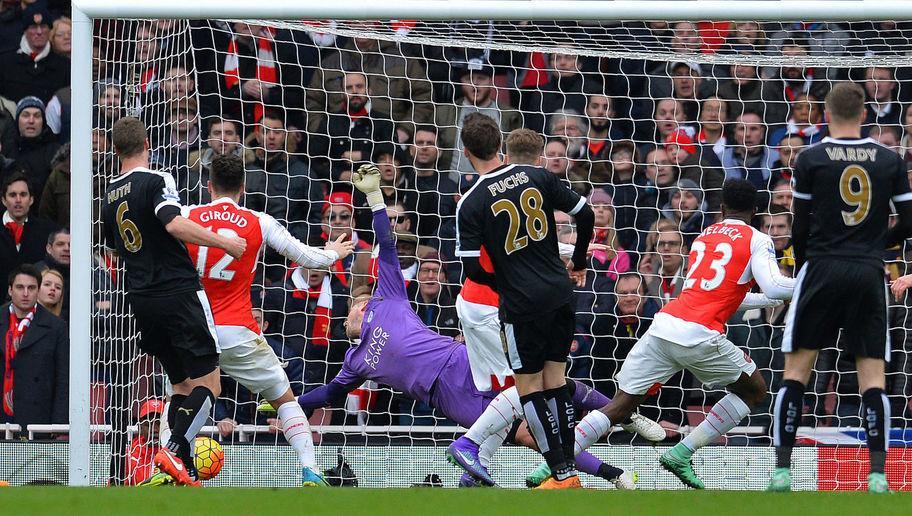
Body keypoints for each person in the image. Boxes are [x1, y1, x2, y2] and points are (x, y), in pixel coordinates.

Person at [296, 164, 647, 488]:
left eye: (350, 312)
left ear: (361, 303)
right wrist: (289, 402)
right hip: (446, 395)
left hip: (463, 359)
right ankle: (613, 474)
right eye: (346, 321)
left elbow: (386, 244)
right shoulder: (355, 362)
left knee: (542, 386)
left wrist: (374, 197)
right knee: (527, 430)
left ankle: (624, 411)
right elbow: (327, 395)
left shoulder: (388, 298)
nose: (349, 319)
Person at [571, 179, 796, 490]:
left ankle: (556, 461)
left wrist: (774, 297)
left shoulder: (705, 236)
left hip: (665, 325)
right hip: (699, 334)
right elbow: (773, 285)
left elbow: (723, 294)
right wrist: (809, 286)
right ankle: (681, 452)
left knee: (621, 404)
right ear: (756, 212)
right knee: (754, 390)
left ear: (721, 208)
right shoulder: (757, 239)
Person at [770, 82, 912, 494]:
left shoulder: (811, 157)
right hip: (868, 271)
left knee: (796, 372)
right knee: (873, 378)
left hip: (822, 267)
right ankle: (879, 476)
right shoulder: (888, 159)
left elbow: (798, 221)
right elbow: (908, 219)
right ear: (865, 114)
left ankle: (781, 470)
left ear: (825, 115)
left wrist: (803, 265)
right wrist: (876, 244)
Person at [181, 153, 354, 486]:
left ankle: (173, 463)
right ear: (243, 188)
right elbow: (307, 257)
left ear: (208, 186)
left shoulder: (188, 216)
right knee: (284, 399)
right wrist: (334, 252)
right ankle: (311, 471)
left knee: (182, 395)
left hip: (195, 328)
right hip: (239, 330)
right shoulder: (258, 221)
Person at [101, 117, 246, 487]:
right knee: (211, 385)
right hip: (177, 291)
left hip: (141, 300)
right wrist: (224, 242)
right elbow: (172, 222)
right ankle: (175, 446)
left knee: (181, 385)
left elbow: (113, 248)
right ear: (147, 142)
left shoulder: (109, 193)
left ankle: (174, 465)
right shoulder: (156, 180)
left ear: (115, 149)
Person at [455, 121, 595, 489]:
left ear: (466, 153)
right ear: (499, 144)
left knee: (529, 387)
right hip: (561, 294)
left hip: (522, 306)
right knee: (557, 382)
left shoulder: (472, 200)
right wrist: (578, 262)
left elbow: (471, 268)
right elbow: (587, 214)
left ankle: (562, 471)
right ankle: (567, 473)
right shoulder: (537, 176)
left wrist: (506, 284)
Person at [0, 264, 68, 432]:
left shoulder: (56, 326)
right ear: (10, 290)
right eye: (19, 287)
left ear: (37, 291)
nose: (25, 293)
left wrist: (58, 426)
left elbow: (63, 378)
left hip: (37, 417)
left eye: (31, 288)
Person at [0, 171, 57, 286]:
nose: (18, 200)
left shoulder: (47, 231)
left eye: (23, 194)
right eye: (12, 195)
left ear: (31, 199)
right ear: (3, 200)